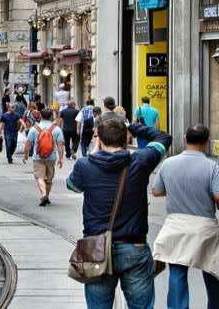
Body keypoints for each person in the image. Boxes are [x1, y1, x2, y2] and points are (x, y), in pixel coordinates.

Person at [66, 118, 172, 309]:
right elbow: (163, 137)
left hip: (96, 249)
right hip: (135, 248)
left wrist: (93, 152)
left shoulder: (85, 165)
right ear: (126, 138)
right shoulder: (141, 161)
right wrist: (134, 126)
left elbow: (72, 185)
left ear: (99, 138)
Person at [151, 124, 219, 309]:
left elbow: (156, 191)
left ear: (184, 138)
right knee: (212, 270)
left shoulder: (168, 163)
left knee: (177, 272)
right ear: (205, 143)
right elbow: (217, 197)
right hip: (204, 228)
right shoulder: (212, 166)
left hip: (176, 226)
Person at [23, 108, 65, 206]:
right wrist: (61, 158)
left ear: (40, 116)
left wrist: (25, 156)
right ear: (51, 116)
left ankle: (43, 194)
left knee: (40, 177)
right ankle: (46, 196)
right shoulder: (56, 129)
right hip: (51, 157)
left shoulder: (34, 128)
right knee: (49, 179)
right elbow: (60, 145)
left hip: (38, 157)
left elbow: (28, 144)